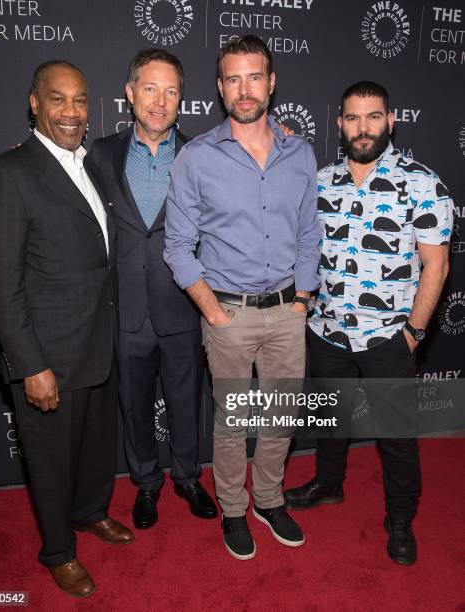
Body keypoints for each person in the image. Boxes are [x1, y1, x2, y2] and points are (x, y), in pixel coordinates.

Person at [0, 60, 133, 598]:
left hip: (97, 344)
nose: (71, 111)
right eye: (58, 99)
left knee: (94, 449)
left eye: (81, 101)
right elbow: (1, 285)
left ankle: (91, 512)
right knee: (50, 460)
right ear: (34, 103)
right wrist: (30, 364)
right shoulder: (8, 175)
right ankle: (58, 550)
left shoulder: (92, 165)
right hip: (47, 356)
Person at [164, 35, 321, 560]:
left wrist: (302, 300)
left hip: (287, 312)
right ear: (220, 88)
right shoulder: (196, 158)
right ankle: (233, 510)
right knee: (233, 424)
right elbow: (178, 247)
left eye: (255, 77)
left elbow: (308, 233)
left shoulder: (300, 152)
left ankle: (270, 499)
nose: (245, 89)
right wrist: (213, 311)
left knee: (278, 417)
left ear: (271, 83)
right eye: (233, 78)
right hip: (227, 312)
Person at [284, 81, 453, 566]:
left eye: (373, 117)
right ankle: (328, 485)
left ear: (390, 120)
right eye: (353, 118)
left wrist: (414, 333)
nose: (363, 128)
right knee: (331, 419)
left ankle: (400, 517)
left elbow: (436, 266)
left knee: (396, 436)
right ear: (339, 123)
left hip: (388, 336)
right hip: (328, 329)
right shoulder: (320, 180)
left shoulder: (422, 182)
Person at [85, 49, 217, 530]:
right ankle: (146, 483)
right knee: (134, 410)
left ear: (181, 98)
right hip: (125, 312)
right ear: (129, 93)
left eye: (171, 91)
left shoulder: (204, 154)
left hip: (184, 307)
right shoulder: (100, 154)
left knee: (187, 404)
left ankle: (186, 477)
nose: (160, 101)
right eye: (150, 88)